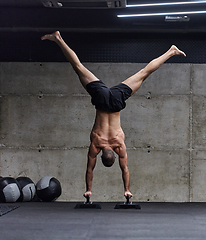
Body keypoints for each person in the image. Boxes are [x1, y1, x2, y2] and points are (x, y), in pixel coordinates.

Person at [41, 31, 186, 200]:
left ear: (114, 155)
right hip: (102, 100)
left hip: (116, 102)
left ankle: (170, 51)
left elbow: (124, 169)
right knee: (78, 68)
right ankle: (58, 39)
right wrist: (88, 190)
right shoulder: (96, 144)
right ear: (101, 155)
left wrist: (127, 189)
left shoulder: (119, 145)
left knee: (143, 73)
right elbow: (90, 169)